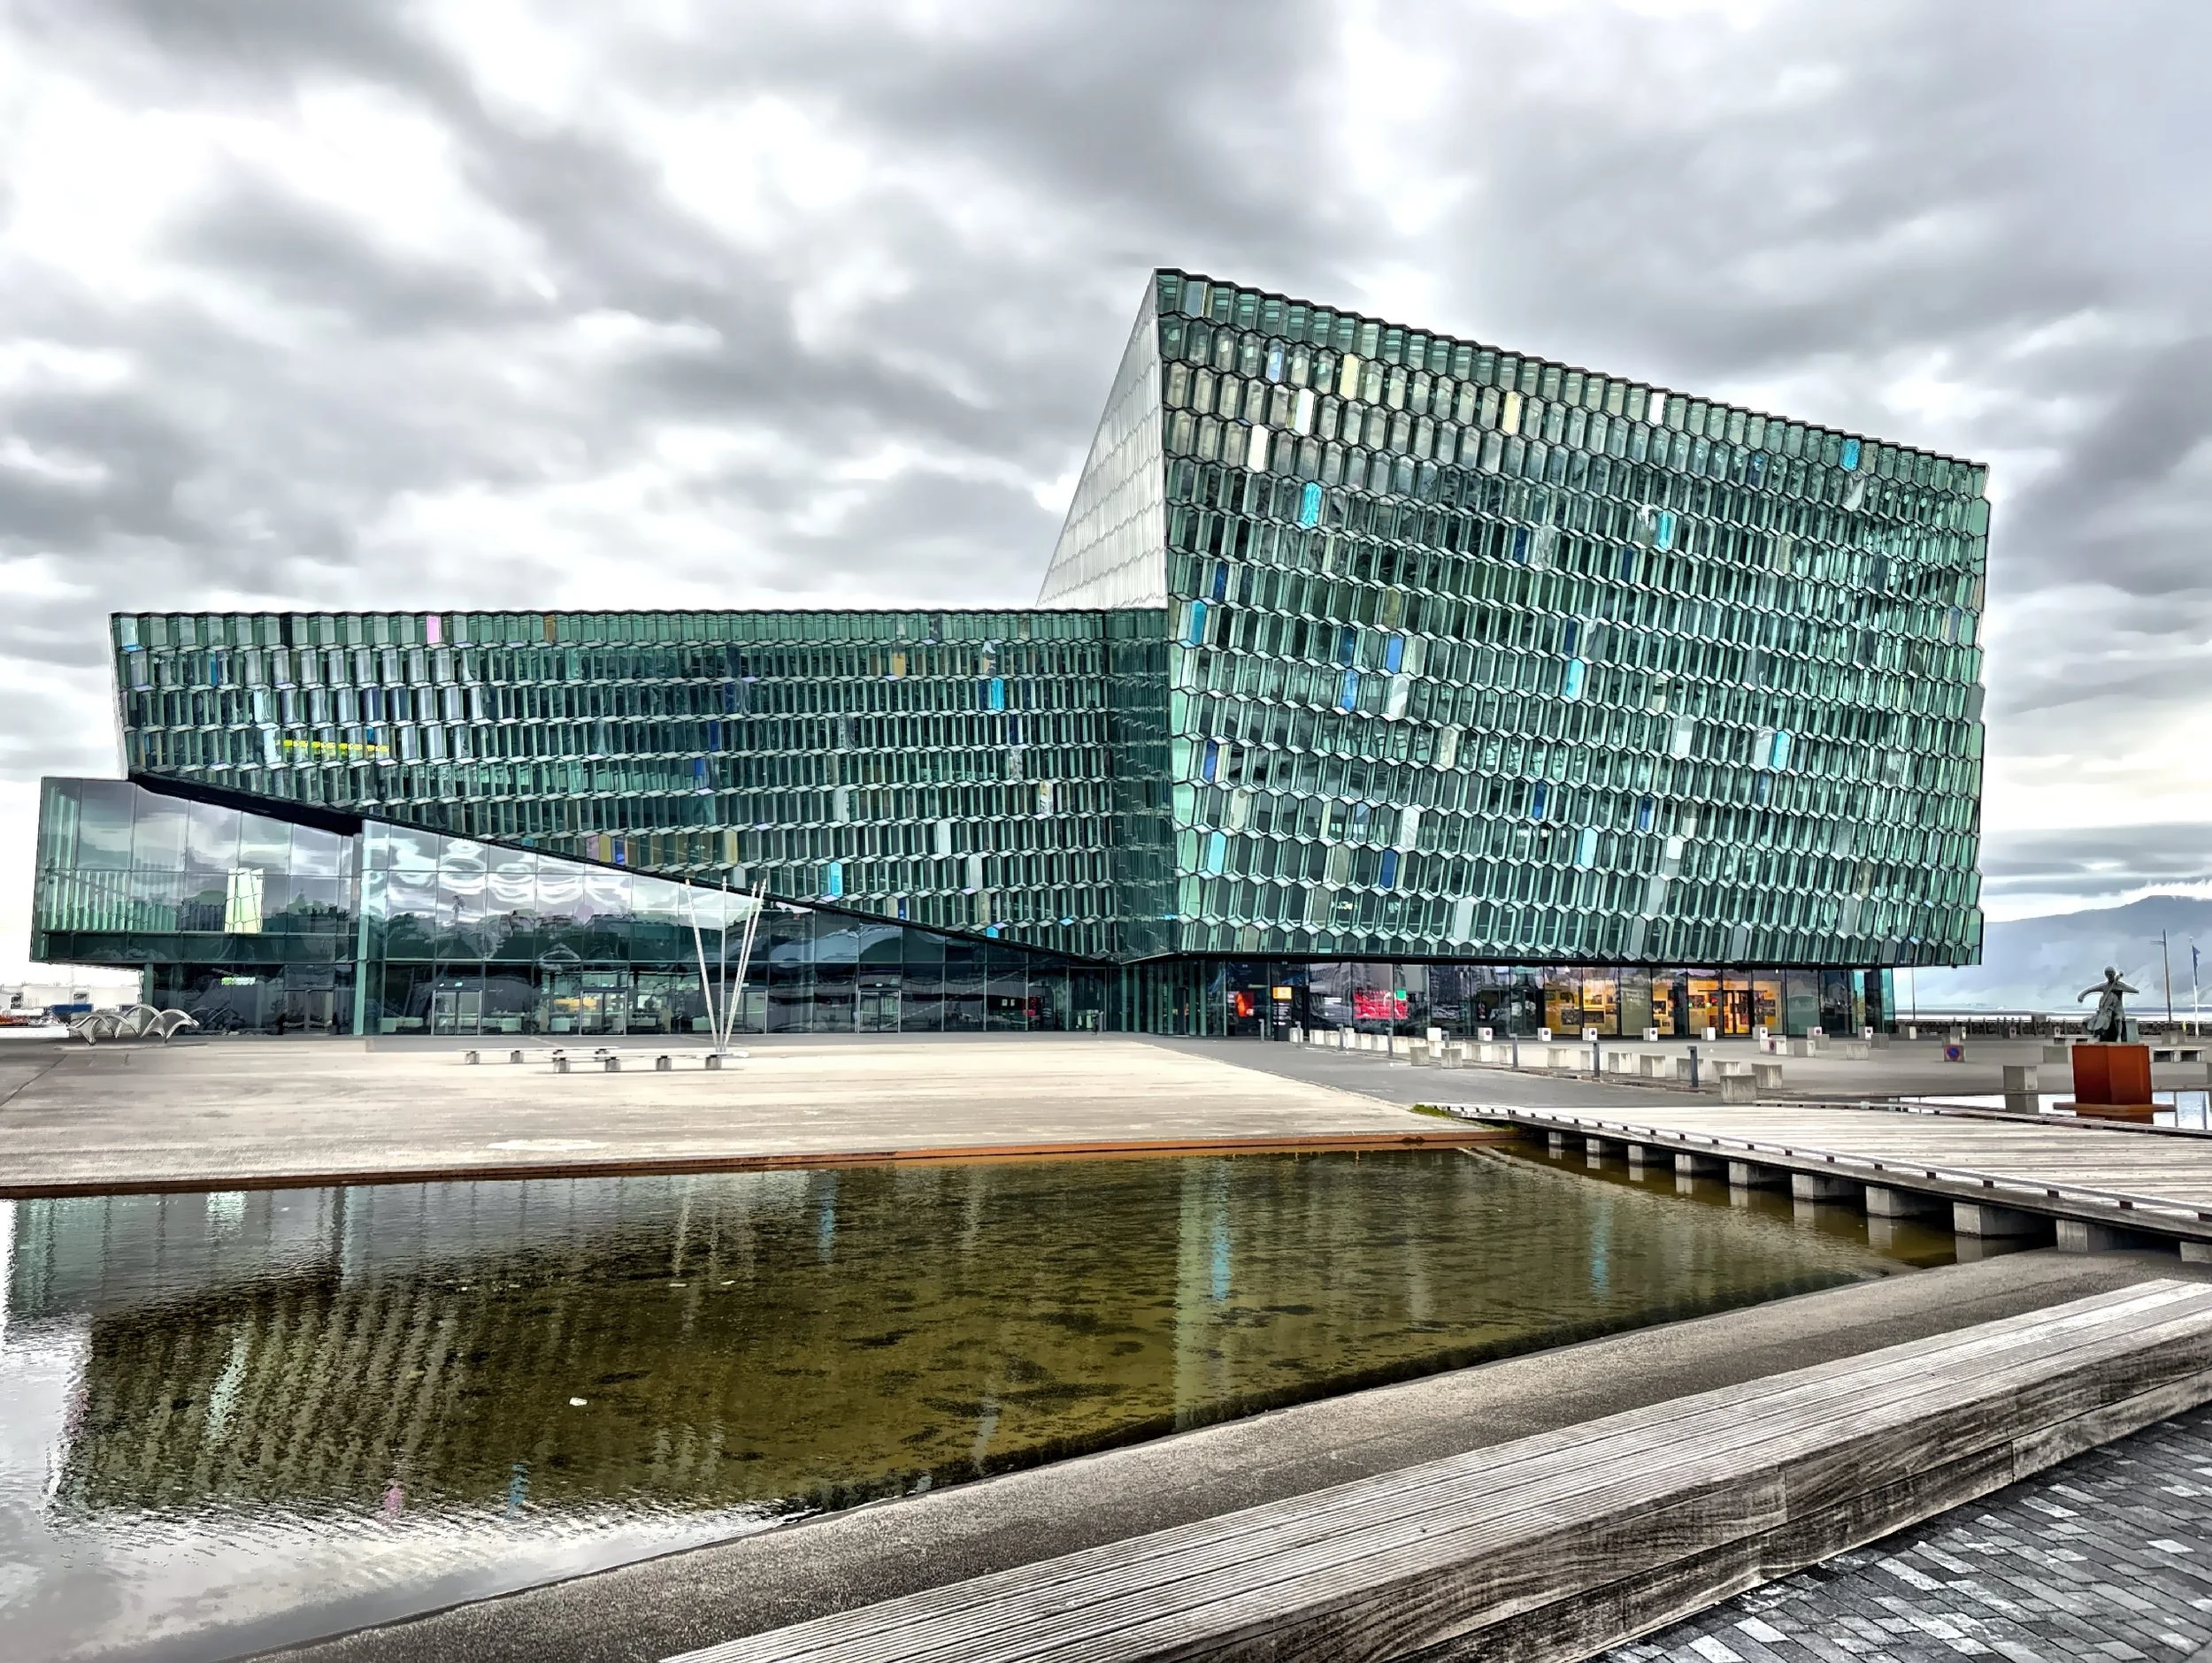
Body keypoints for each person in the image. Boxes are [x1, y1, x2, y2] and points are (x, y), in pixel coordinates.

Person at [2077, 967, 2139, 1044]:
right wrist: (2081, 995)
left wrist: (2123, 988)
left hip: (2118, 1009)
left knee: (2118, 1019)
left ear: (2114, 974)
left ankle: (2119, 1036)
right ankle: (2088, 1039)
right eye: (2107, 975)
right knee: (2087, 1021)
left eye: (2111, 974)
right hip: (2105, 1010)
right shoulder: (2105, 986)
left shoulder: (2120, 985)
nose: (2109, 976)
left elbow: (2134, 990)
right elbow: (2091, 989)